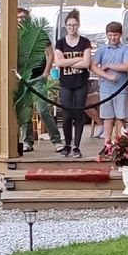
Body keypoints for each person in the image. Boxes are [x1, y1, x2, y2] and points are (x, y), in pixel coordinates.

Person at [17, 8, 64, 152]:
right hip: (23, 78)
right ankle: (27, 142)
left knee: (43, 109)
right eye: (18, 18)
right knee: (25, 112)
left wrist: (46, 72)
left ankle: (56, 140)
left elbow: (50, 54)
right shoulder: (15, 35)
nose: (21, 20)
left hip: (38, 78)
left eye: (23, 17)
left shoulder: (39, 32)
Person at [90, 21, 128, 156]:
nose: (112, 38)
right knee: (107, 117)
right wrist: (106, 76)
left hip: (121, 88)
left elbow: (125, 66)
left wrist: (109, 65)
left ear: (120, 35)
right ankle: (107, 144)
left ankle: (119, 143)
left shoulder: (125, 49)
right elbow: (94, 66)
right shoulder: (102, 49)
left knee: (120, 117)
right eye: (110, 35)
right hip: (106, 88)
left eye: (115, 35)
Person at [54, 9, 91, 158]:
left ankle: (77, 146)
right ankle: (67, 144)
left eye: (74, 25)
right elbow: (59, 62)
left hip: (81, 83)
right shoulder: (61, 43)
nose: (72, 28)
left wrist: (68, 62)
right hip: (66, 83)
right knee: (67, 114)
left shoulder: (85, 42)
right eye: (69, 25)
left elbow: (87, 63)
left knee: (79, 114)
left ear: (78, 25)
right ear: (65, 26)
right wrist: (77, 59)